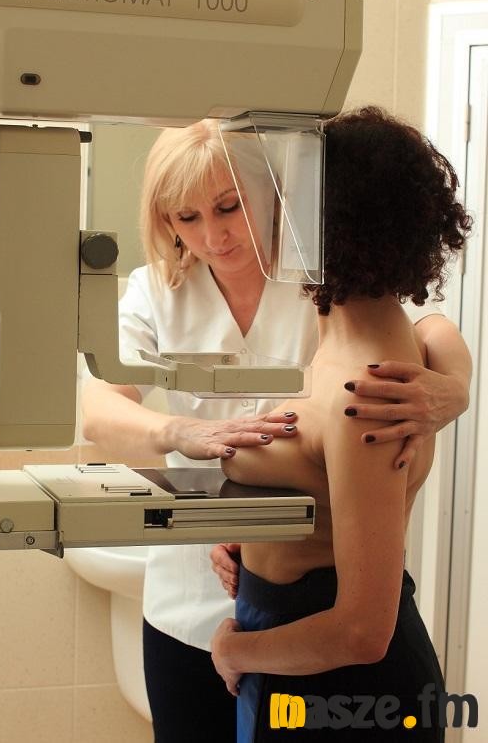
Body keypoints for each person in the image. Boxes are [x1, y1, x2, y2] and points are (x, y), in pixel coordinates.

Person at [81, 118, 471, 743]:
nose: (213, 235)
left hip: (305, 630)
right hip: (204, 604)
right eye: (186, 217)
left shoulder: (327, 293)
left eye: (229, 207)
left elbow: (431, 326)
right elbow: (98, 406)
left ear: (273, 199)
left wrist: (455, 386)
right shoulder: (160, 293)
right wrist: (182, 433)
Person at [210, 106, 472, 742]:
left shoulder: (367, 392)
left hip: (343, 694)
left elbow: (361, 631)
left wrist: (235, 651)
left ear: (321, 221)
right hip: (301, 664)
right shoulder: (377, 340)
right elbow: (436, 329)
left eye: (281, 202)